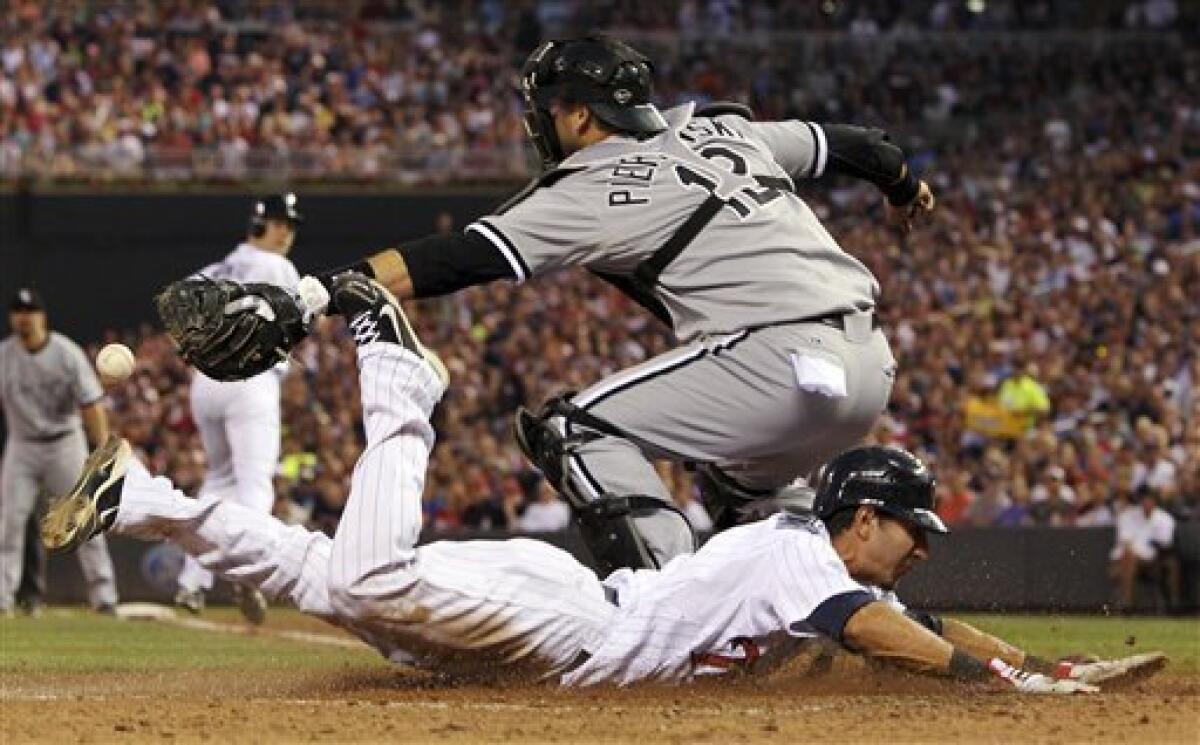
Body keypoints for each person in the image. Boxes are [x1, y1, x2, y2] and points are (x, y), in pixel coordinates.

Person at [42, 275, 1161, 691]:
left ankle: (138, 497)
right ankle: (399, 375)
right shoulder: (801, 558)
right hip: (569, 623)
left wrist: (1054, 668)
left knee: (334, 583)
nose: (922, 546)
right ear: (860, 519)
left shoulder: (833, 567)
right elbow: (890, 635)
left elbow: (921, 617)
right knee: (372, 578)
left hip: (559, 621)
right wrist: (995, 683)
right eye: (910, 530)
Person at [290, 36, 936, 575]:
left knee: (574, 429)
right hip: (869, 367)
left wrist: (314, 294)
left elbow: (458, 256)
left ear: (576, 116)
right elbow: (862, 145)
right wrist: (903, 187)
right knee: (743, 490)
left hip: (776, 360)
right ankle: (829, 604)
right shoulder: (725, 131)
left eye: (545, 110)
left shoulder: (595, 182)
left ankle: (672, 609)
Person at [172, 194, 303, 623]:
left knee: (217, 481)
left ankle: (191, 582)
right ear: (268, 225)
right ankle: (247, 577)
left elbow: (177, 311)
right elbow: (300, 322)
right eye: (285, 224)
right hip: (250, 382)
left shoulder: (217, 268)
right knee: (253, 484)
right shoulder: (277, 267)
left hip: (206, 384)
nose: (289, 233)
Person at [0, 287, 119, 616]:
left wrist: (102, 450)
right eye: (18, 311)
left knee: (82, 520)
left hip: (64, 444)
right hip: (22, 446)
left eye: (30, 311)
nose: (23, 317)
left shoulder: (66, 353)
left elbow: (91, 405)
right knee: (9, 524)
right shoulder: (4, 354)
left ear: (42, 317)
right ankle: (2, 599)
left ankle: (104, 596)